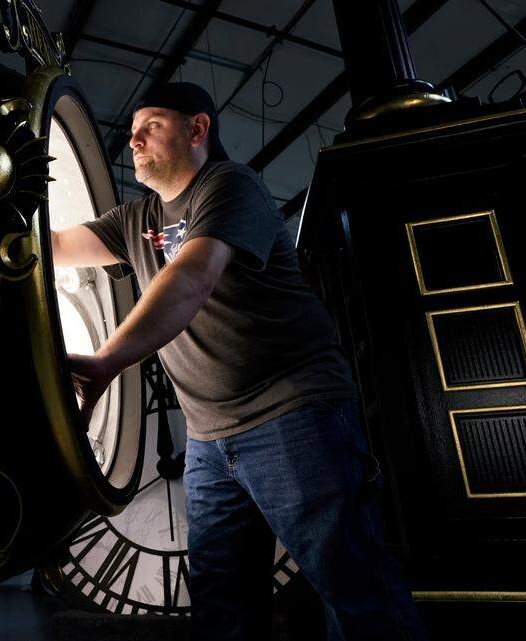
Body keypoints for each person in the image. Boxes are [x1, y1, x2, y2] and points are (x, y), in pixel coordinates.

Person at [51, 82, 428, 641]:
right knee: (223, 603)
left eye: (151, 125)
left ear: (197, 129)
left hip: (292, 414)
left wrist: (106, 361)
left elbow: (191, 277)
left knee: (352, 585)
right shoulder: (135, 219)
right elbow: (53, 246)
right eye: (132, 130)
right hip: (208, 439)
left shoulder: (229, 186)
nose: (133, 139)